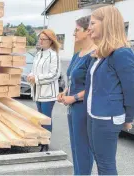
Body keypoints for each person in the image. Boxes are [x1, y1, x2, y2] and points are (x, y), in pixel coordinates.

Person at [86, 6, 134, 175]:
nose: (89, 27)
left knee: (106, 165)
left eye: (92, 23)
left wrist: (129, 117)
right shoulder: (102, 54)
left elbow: (131, 90)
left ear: (106, 24)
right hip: (94, 114)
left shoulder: (122, 53)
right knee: (100, 160)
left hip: (107, 118)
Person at [57, 16, 96, 175]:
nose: (74, 33)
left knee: (83, 149)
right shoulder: (76, 55)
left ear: (88, 31)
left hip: (83, 108)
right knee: (74, 146)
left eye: (77, 30)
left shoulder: (94, 55)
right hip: (72, 108)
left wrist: (73, 97)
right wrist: (65, 92)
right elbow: (72, 80)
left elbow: (94, 87)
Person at [27, 29, 61, 152]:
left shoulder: (53, 55)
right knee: (40, 117)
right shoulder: (38, 54)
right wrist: (31, 75)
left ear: (50, 41)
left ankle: (46, 143)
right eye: (39, 39)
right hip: (38, 91)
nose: (40, 41)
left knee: (46, 118)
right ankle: (41, 139)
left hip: (48, 93)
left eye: (43, 39)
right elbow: (34, 69)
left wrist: (37, 78)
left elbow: (55, 74)